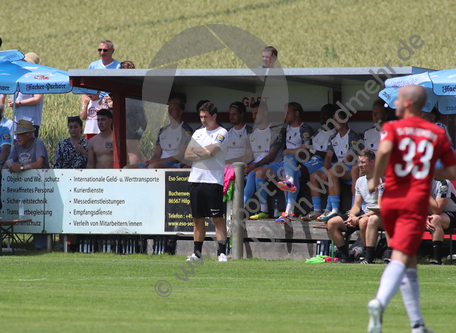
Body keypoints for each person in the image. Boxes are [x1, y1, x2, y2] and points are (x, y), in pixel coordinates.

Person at [366, 85, 456, 333]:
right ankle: (379, 302)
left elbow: (383, 151)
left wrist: (375, 179)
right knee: (401, 257)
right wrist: (428, 170)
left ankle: (417, 325)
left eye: (397, 99)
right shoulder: (435, 133)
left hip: (390, 201)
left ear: (406, 102)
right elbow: (452, 170)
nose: (393, 104)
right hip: (413, 202)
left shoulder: (392, 128)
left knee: (409, 260)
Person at [254, 102, 313, 223]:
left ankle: (289, 211)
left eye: (288, 113)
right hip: (285, 163)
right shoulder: (285, 129)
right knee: (259, 173)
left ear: (296, 114)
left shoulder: (304, 128)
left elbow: (306, 149)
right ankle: (264, 210)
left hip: (301, 164)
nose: (285, 115)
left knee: (289, 161)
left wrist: (289, 151)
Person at [184, 102, 228, 262]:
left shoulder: (222, 132)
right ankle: (197, 254)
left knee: (217, 219)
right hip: (195, 180)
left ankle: (222, 253)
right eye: (201, 116)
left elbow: (211, 152)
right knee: (197, 219)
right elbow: (187, 154)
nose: (203, 120)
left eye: (206, 117)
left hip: (213, 181)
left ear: (214, 116)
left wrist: (199, 152)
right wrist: (201, 152)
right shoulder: (197, 133)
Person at [327, 150, 382, 263]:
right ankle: (345, 257)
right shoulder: (360, 181)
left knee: (362, 222)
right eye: (359, 162)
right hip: (364, 214)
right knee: (332, 223)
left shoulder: (381, 180)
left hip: (377, 214)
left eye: (363, 162)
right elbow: (357, 205)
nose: (360, 165)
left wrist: (360, 218)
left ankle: (368, 257)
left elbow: (380, 207)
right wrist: (351, 216)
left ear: (372, 162)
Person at [309, 110, 363, 222]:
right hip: (338, 168)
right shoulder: (333, 137)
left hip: (351, 168)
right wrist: (324, 170)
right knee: (314, 176)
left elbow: (348, 158)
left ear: (345, 120)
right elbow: (328, 157)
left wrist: (329, 171)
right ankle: (318, 209)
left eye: (337, 119)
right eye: (333, 119)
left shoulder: (353, 136)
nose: (334, 122)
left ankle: (342, 208)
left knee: (334, 170)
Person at [243, 101, 283, 219]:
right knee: (239, 173)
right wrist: (245, 164)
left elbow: (272, 156)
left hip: (274, 166)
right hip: (255, 167)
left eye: (257, 113)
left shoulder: (276, 130)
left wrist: (253, 167)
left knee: (252, 174)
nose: (254, 116)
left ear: (265, 113)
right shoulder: (251, 133)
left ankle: (246, 209)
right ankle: (234, 209)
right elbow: (248, 154)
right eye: (252, 113)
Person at [124, 99, 193, 169]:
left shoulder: (186, 130)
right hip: (160, 162)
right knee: (127, 168)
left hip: (174, 163)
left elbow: (180, 156)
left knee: (153, 167)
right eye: (169, 109)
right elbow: (156, 154)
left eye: (173, 110)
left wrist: (158, 161)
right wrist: (152, 160)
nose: (170, 112)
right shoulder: (162, 130)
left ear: (180, 112)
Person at [300, 104, 337, 221]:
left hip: (332, 165)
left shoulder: (335, 133)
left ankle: (331, 209)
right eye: (321, 113)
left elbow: (333, 156)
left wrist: (315, 151)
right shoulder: (316, 135)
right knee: (297, 173)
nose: (322, 116)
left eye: (325, 114)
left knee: (312, 175)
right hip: (313, 162)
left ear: (332, 117)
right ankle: (316, 211)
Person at [8, 53, 43, 138]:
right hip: (17, 121)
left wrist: (19, 103)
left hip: (31, 122)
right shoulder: (19, 79)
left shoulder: (37, 80)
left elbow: (38, 99)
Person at [119, 60, 148, 164]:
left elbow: (127, 105)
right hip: (141, 120)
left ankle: (135, 174)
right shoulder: (138, 83)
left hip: (131, 121)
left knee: (131, 152)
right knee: (136, 149)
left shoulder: (126, 85)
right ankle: (145, 169)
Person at [425, 179, 456, 265]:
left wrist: (424, 191)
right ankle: (410, 259)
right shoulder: (413, 183)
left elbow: (437, 209)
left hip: (452, 214)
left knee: (435, 219)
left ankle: (437, 259)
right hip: (431, 216)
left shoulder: (443, 183)